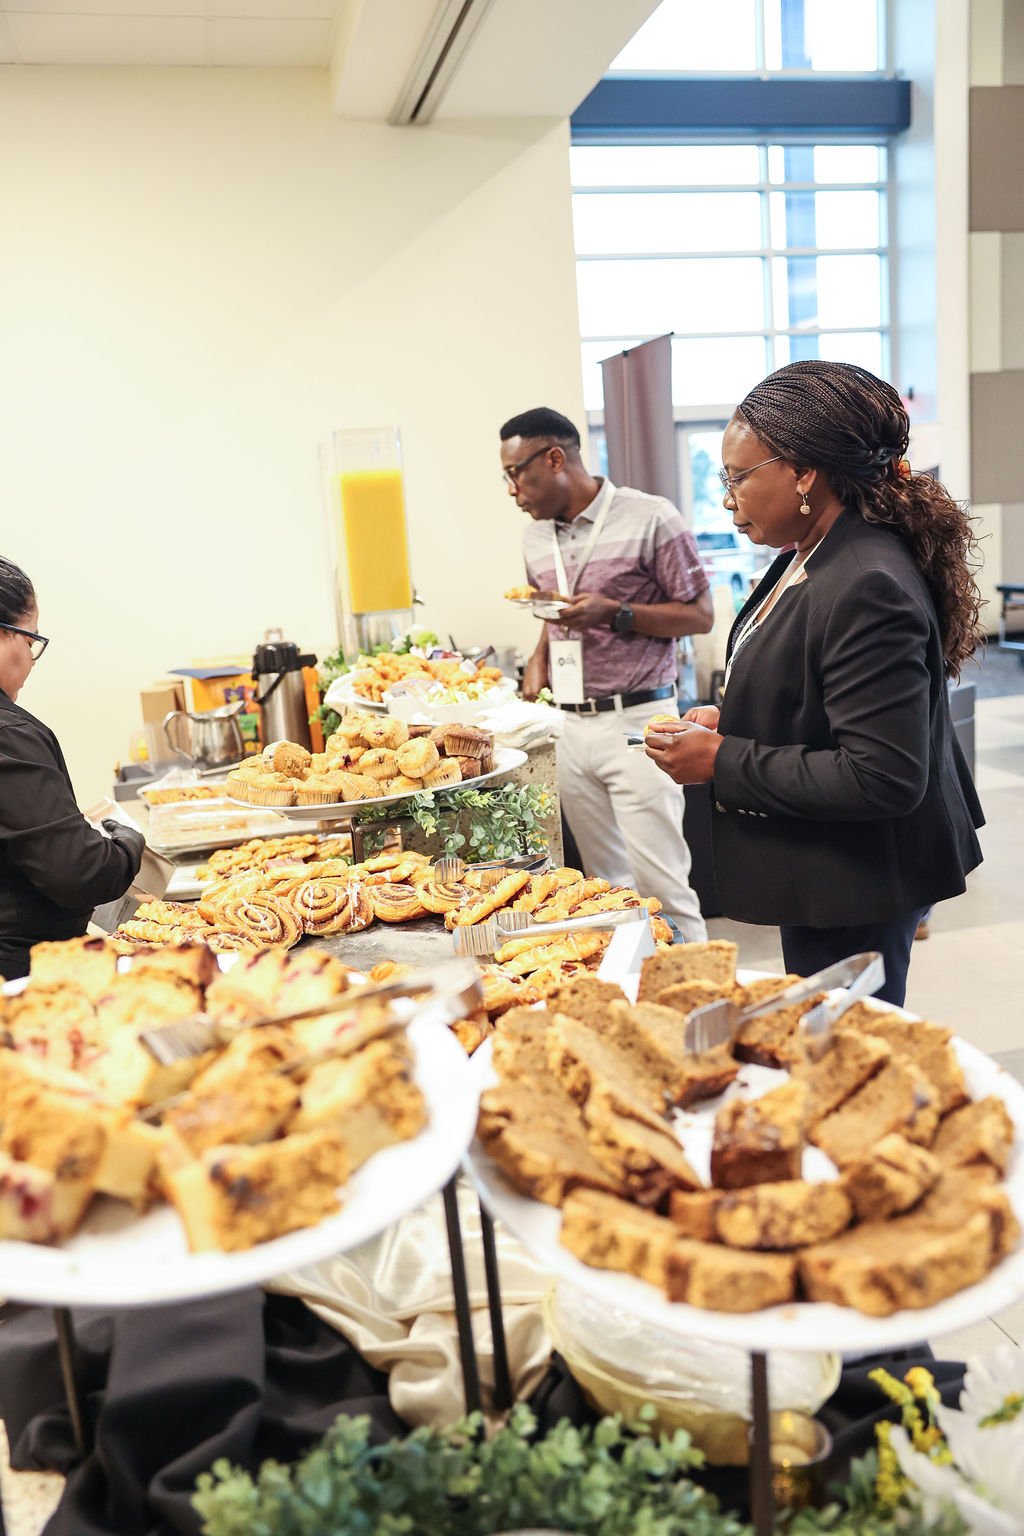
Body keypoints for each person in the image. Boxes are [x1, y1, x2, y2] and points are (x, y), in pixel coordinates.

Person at [644, 361, 983, 1007]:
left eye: (738, 477)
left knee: (845, 1057)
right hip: (824, 866)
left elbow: (883, 774)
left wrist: (723, 760)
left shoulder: (866, 580)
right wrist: (735, 719)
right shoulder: (809, 553)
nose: (726, 498)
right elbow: (817, 692)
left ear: (802, 472)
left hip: (856, 879)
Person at [501, 406, 713, 942]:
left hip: (639, 720)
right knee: (602, 890)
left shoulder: (650, 516)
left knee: (662, 885)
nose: (511, 490)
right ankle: (628, 1004)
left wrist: (616, 612)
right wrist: (539, 655)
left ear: (554, 459)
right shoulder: (534, 539)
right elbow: (555, 612)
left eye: (516, 473)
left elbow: (699, 614)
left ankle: (703, 1005)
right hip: (568, 726)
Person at [0, 557, 144, 979]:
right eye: (29, 641)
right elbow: (77, 872)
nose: (30, 659)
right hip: (23, 979)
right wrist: (128, 845)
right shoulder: (9, 735)